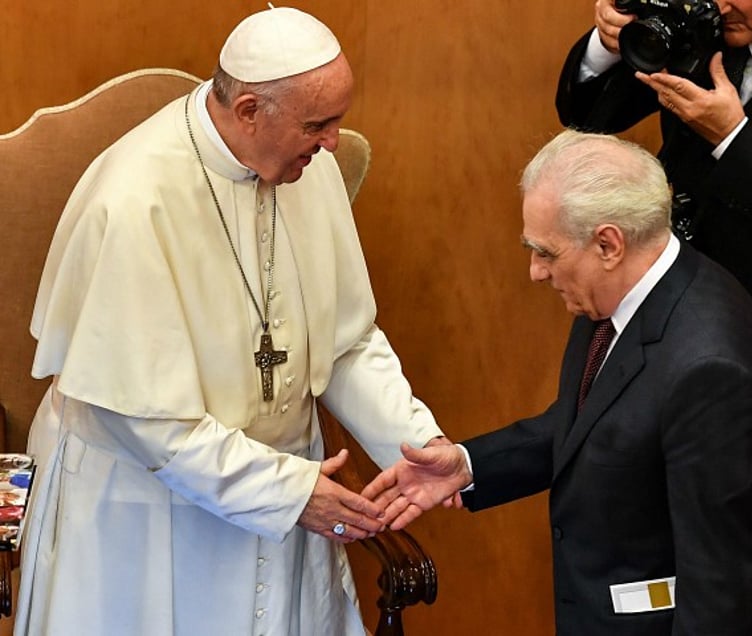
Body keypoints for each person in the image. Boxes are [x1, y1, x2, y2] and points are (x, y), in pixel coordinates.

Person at [14, 7, 444, 636]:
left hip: (291, 484)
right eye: (317, 125)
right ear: (248, 111)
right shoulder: (136, 199)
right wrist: (288, 493)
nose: (332, 146)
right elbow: (143, 419)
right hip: (149, 506)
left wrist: (418, 443)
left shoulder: (308, 169)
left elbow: (347, 342)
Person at [363, 130, 752, 635]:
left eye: (545, 252)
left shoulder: (710, 370)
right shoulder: (623, 293)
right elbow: (594, 427)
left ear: (608, 243)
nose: (535, 272)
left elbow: (719, 592)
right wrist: (468, 466)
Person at [554, 0, 752, 632]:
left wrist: (735, 140)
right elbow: (590, 117)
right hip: (676, 341)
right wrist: (608, 45)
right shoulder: (704, 17)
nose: (722, 4)